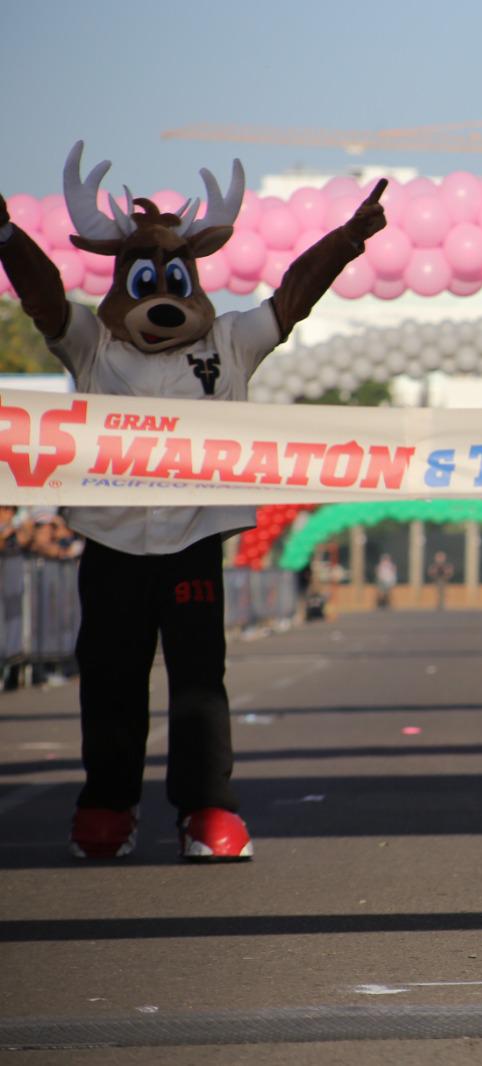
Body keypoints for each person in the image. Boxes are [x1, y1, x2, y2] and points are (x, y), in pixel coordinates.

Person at [0, 144, 388, 862]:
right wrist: (7, 238)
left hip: (193, 540)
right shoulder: (92, 345)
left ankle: (206, 807)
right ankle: (108, 806)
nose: (163, 294)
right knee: (111, 679)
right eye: (146, 279)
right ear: (125, 280)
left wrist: (344, 243)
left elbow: (292, 299)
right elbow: (45, 301)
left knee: (199, 684)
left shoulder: (230, 340)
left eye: (174, 278)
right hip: (111, 543)